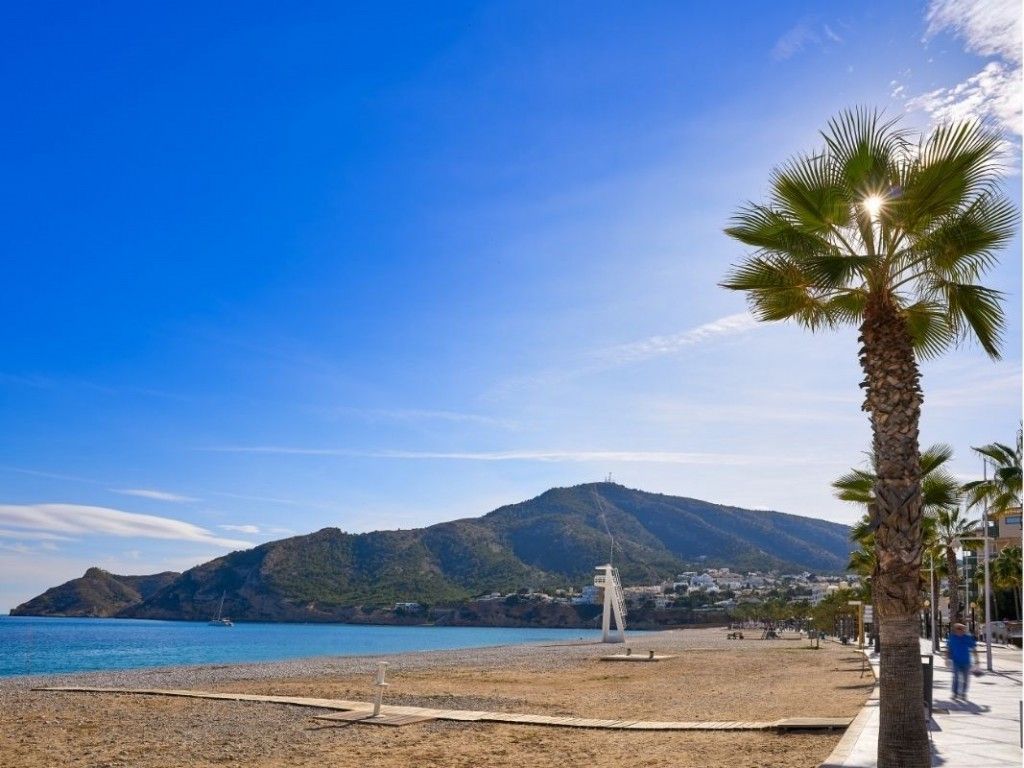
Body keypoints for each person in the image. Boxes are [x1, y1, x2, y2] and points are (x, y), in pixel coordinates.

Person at [947, 622, 979, 701]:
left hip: (966, 662)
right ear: (955, 630)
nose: (960, 630)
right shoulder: (952, 638)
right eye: (958, 629)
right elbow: (949, 649)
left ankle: (963, 693)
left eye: (962, 629)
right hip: (955, 661)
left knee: (965, 679)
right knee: (956, 678)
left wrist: (977, 660)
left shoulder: (967, 638)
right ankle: (955, 694)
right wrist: (947, 659)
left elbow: (974, 649)